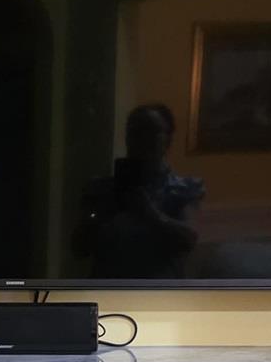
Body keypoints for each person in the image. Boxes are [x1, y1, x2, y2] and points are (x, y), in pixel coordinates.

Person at [73, 102, 204, 278]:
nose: (142, 139)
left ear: (168, 139)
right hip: (108, 296)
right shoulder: (99, 189)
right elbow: (78, 249)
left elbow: (188, 240)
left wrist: (150, 213)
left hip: (159, 298)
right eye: (135, 131)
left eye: (151, 131)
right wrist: (98, 215)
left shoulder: (184, 189)